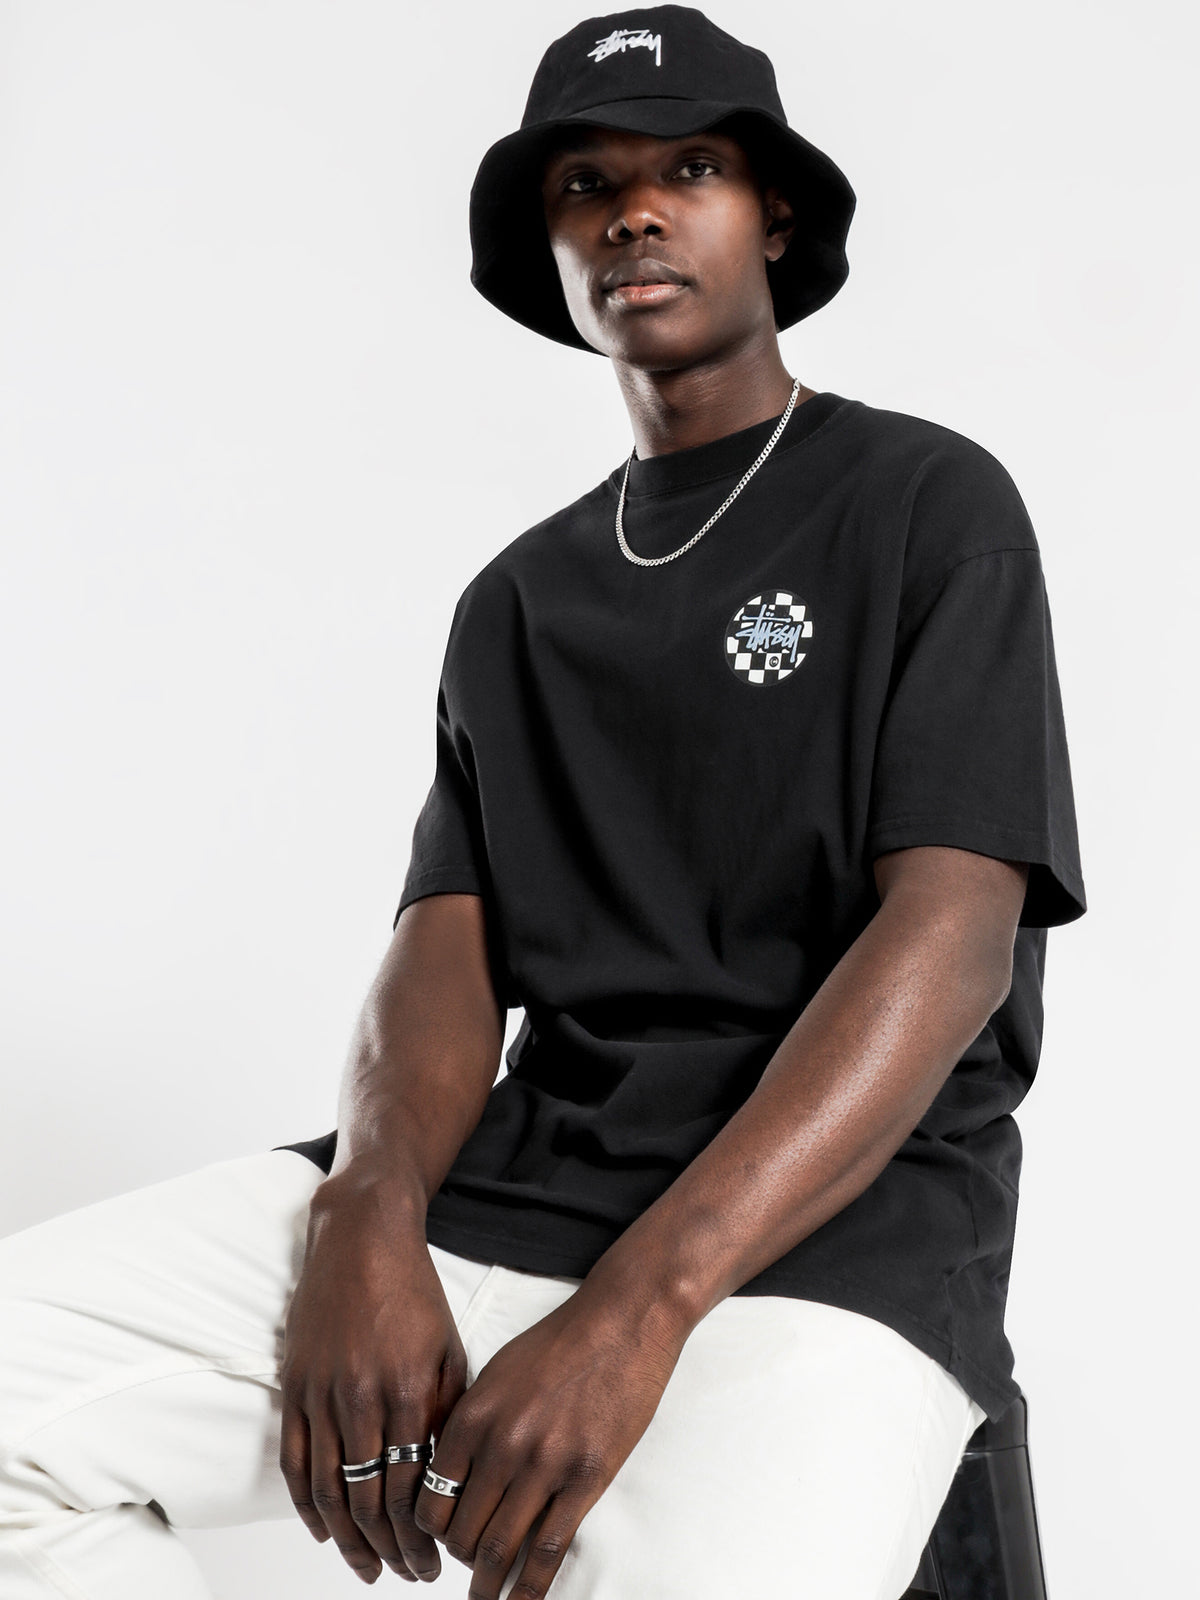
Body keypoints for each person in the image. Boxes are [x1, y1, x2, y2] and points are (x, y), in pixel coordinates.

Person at [0, 6, 1087, 1598]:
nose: (634, 213)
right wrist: (368, 1213)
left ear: (773, 217)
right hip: (512, 1188)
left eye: (690, 169)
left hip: (826, 1249)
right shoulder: (517, 600)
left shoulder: (927, 506)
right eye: (588, 185)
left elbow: (952, 942)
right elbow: (445, 950)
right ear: (553, 243)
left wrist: (640, 1309)